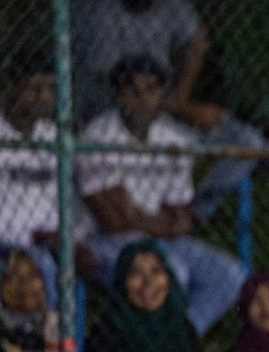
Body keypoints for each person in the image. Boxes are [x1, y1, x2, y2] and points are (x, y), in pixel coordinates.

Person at [76, 0, 261, 215]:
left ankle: (192, 212)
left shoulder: (169, 0)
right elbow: (116, 85)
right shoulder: (102, 7)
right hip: (114, 116)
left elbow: (196, 45)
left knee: (247, 141)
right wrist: (178, 108)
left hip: (161, 114)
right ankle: (152, 218)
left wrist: (180, 102)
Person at [79, 55, 245, 336]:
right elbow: (114, 221)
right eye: (135, 90)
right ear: (122, 95)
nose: (144, 98)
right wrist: (162, 223)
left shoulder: (172, 137)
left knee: (230, 275)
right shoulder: (98, 137)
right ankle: (153, 350)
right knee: (171, 273)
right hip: (104, 241)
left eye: (152, 89)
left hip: (161, 240)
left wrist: (151, 220)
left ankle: (181, 339)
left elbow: (179, 214)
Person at [0, 53, 73, 289]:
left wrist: (56, 234)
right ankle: (51, 326)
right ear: (13, 90)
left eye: (48, 89)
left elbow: (63, 203)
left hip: (47, 242)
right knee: (38, 265)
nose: (42, 97)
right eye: (33, 89)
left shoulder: (54, 136)